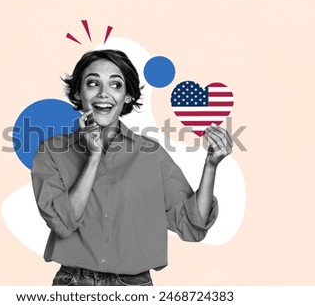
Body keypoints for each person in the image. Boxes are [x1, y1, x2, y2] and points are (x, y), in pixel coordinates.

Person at [31, 49, 233, 286]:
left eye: (116, 85)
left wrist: (210, 166)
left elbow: (192, 225)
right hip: (74, 283)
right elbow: (63, 223)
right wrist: (94, 157)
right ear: (78, 92)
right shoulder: (51, 151)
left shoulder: (151, 153)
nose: (103, 94)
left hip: (134, 285)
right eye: (93, 83)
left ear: (127, 96)